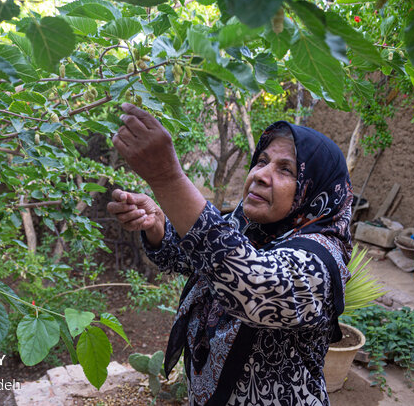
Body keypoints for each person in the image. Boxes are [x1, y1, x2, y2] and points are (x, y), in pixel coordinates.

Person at [107, 103, 353, 405]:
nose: (262, 174)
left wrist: (167, 178)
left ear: (314, 190)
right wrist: (158, 226)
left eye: (285, 169)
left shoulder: (322, 260)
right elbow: (192, 259)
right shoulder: (250, 225)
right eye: (262, 161)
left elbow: (251, 283)